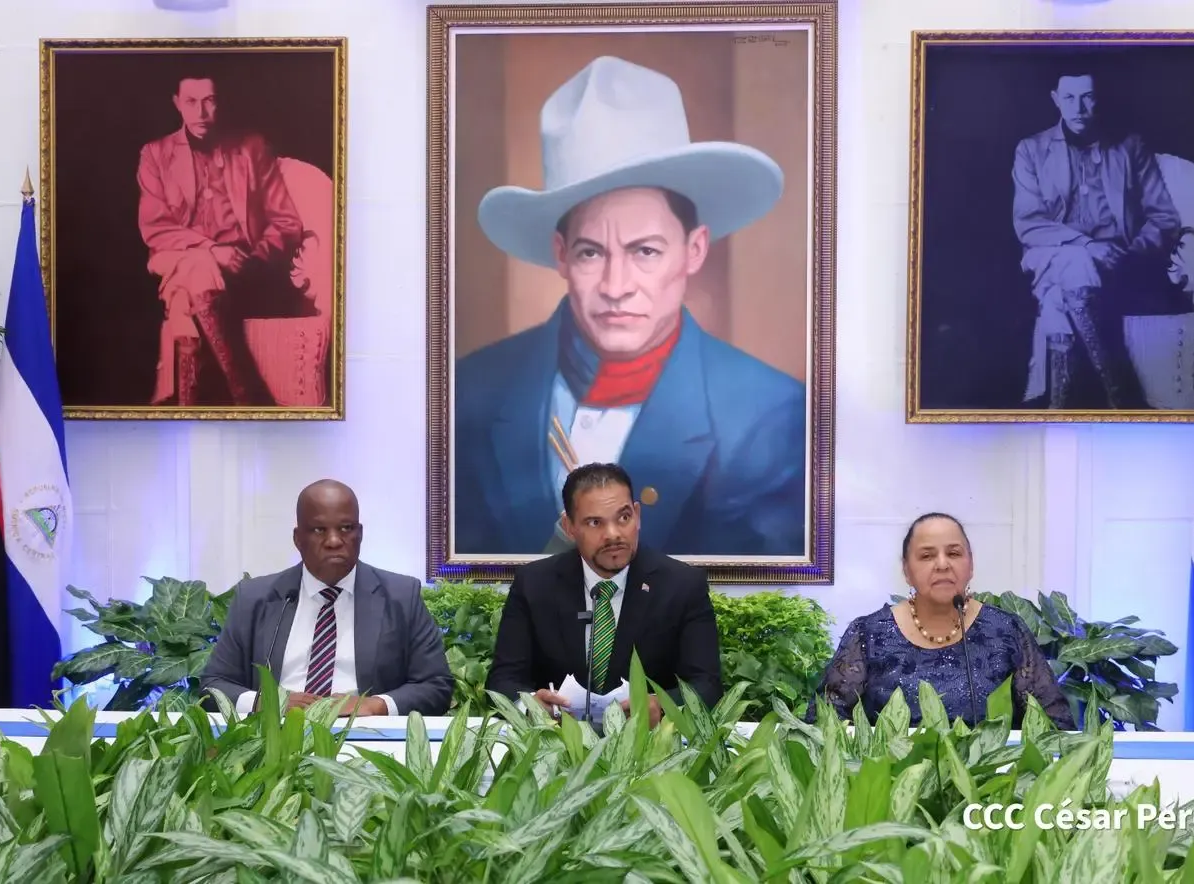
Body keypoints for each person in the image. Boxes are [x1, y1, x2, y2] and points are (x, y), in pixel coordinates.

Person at [454, 55, 805, 558]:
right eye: (591, 252)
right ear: (560, 255)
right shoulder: (473, 390)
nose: (616, 286)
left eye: (645, 251)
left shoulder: (769, 415)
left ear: (694, 250)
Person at [486, 462, 723, 727]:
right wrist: (530, 705)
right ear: (569, 527)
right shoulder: (533, 584)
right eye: (595, 522)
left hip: (650, 745)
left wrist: (663, 706)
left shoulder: (683, 585)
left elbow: (707, 685)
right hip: (555, 742)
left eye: (623, 518)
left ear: (637, 515)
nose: (613, 535)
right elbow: (502, 681)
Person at [1011, 66, 1191, 410]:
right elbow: (1028, 223)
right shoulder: (1031, 150)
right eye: (1069, 98)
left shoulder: (1130, 147)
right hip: (1049, 254)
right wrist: (1087, 246)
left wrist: (1129, 253)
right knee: (1076, 260)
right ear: (1055, 100)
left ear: (1099, 99)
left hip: (1116, 262)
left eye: (1087, 97)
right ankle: (1121, 395)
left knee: (1056, 300)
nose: (1078, 108)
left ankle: (1060, 408)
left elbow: (1164, 219)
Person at [201, 480, 454, 716]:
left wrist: (376, 705)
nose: (334, 541)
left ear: (360, 534)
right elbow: (213, 685)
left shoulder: (401, 596)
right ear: (298, 539)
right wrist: (265, 702)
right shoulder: (255, 598)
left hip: (366, 739)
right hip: (276, 737)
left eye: (346, 528)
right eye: (319, 530)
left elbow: (436, 685)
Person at [805, 513, 1076, 729]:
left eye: (954, 553)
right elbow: (825, 723)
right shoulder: (869, 634)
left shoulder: (1006, 631)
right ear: (906, 570)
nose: (943, 564)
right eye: (927, 556)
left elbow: (1054, 724)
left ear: (971, 565)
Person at [137, 72, 310, 407]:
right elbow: (155, 228)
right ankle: (246, 395)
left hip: (240, 271)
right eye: (191, 102)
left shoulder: (252, 148)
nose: (201, 112)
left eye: (209, 101)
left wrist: (254, 260)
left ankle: (187, 411)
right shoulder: (155, 154)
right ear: (177, 103)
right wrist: (213, 251)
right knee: (199, 265)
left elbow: (286, 222)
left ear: (221, 102)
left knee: (183, 301)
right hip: (178, 257)